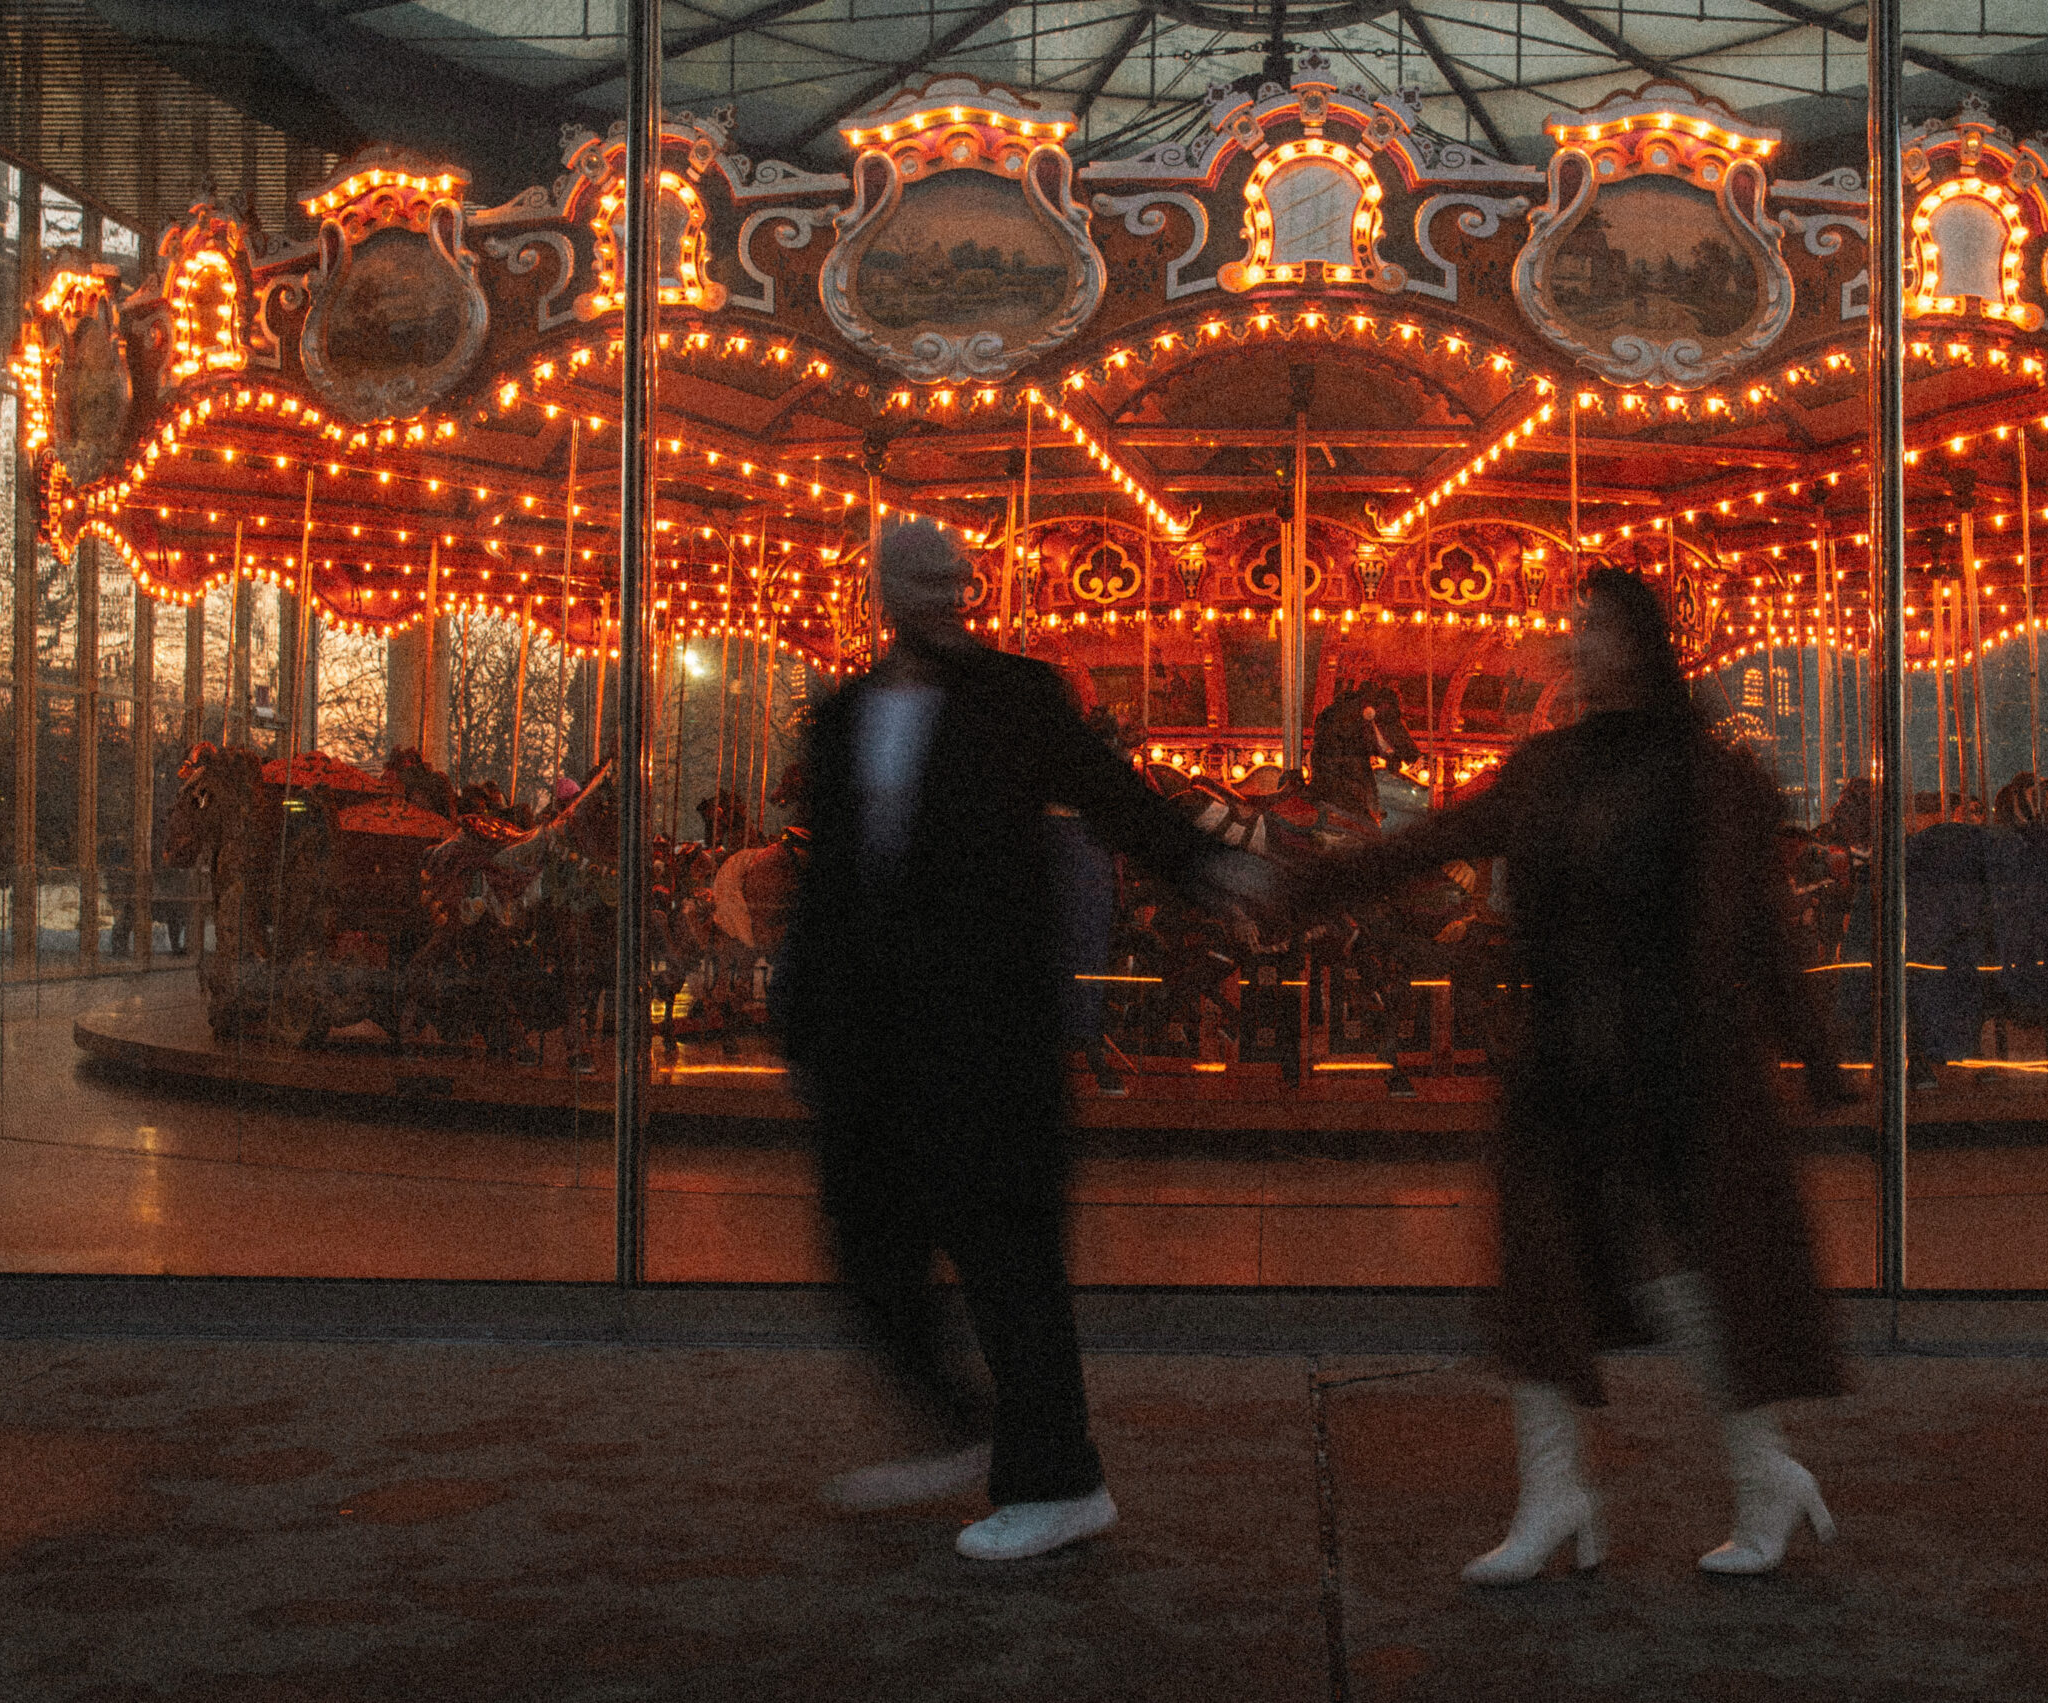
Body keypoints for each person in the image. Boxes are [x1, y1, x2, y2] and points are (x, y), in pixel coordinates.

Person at [1296, 568, 1848, 1584]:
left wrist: (1815, 1053)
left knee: (1695, 1277)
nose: (1571, 640)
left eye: (1588, 626)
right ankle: (1554, 1495)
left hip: (1677, 1058)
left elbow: (1757, 925)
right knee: (1537, 1277)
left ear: (1633, 644)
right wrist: (1300, 880)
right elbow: (1432, 840)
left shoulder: (1706, 775)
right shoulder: (1545, 768)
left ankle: (1764, 1473)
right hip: (1566, 1055)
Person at [773, 519, 1271, 1563]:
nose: (929, 588)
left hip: (986, 1023)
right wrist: (802, 1010)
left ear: (965, 586)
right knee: (866, 1242)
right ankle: (959, 1420)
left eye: (945, 573)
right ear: (882, 591)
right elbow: (830, 880)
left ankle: (1059, 1477)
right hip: (872, 1028)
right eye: (908, 574)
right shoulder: (843, 716)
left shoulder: (1019, 695)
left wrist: (1212, 868)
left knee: (1007, 1252)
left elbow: (1112, 794)